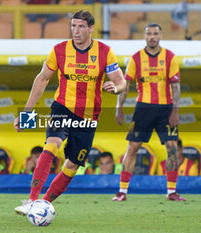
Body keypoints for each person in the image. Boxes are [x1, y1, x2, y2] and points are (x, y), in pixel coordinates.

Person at [14, 10, 126, 215]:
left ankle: (44, 202)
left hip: (89, 116)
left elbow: (121, 81)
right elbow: (42, 79)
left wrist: (116, 88)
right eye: (73, 26)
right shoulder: (59, 50)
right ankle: (31, 200)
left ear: (91, 28)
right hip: (63, 107)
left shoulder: (104, 51)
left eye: (81, 26)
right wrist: (26, 113)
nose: (76, 31)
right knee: (52, 144)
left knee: (73, 164)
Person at [112, 23, 184, 201]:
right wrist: (118, 107)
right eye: (149, 34)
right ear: (144, 36)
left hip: (166, 109)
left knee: (172, 148)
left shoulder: (170, 57)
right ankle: (122, 191)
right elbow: (125, 85)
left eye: (155, 33)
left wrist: (175, 110)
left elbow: (176, 87)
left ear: (160, 35)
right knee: (133, 147)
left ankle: (171, 192)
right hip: (143, 109)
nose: (152, 37)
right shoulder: (136, 58)